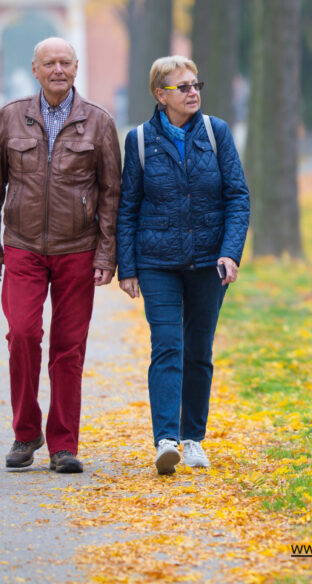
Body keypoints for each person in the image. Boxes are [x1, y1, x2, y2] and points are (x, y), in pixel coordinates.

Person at [116, 56, 249, 475]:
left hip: (209, 262)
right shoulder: (139, 140)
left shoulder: (216, 132)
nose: (193, 92)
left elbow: (237, 196)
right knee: (167, 346)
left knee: (198, 350)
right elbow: (128, 207)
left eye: (196, 85)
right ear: (161, 95)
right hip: (157, 262)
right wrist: (127, 267)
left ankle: (193, 438)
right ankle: (166, 440)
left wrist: (230, 252)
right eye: (183, 87)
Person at [1, 37, 121, 474]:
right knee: (22, 334)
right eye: (49, 63)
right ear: (35, 69)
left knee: (68, 348)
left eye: (65, 62)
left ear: (76, 67)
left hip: (77, 249)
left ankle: (63, 445)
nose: (58, 70)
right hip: (22, 246)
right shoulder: (10, 116)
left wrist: (106, 254)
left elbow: (112, 193)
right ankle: (25, 431)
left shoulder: (99, 122)